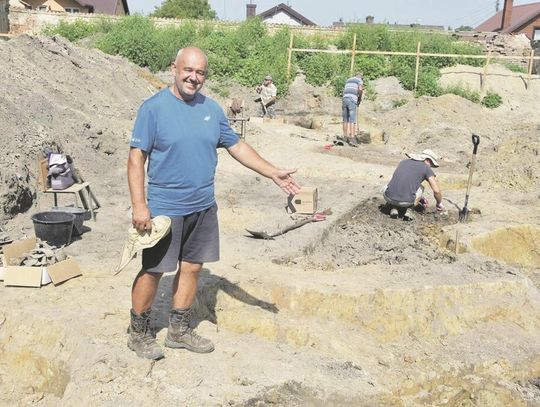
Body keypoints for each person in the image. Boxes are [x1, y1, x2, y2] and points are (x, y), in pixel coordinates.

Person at [127, 47, 300, 360]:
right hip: (165, 208)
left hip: (203, 205)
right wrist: (140, 205)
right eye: (188, 70)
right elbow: (136, 158)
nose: (194, 77)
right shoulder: (153, 109)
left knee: (193, 267)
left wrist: (272, 171)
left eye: (201, 72)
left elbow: (237, 147)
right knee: (153, 270)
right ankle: (138, 332)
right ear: (174, 68)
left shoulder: (213, 109)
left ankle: (178, 331)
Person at [383, 149, 443, 220]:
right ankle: (409, 210)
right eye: (431, 164)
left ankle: (393, 207)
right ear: (427, 160)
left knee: (393, 182)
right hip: (406, 202)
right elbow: (436, 191)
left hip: (388, 197)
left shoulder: (403, 162)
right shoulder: (426, 168)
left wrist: (421, 198)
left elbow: (404, 181)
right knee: (421, 187)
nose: (431, 167)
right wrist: (439, 203)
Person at [341, 72, 364, 146]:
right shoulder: (359, 80)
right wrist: (359, 98)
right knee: (352, 119)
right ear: (361, 77)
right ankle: (352, 138)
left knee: (345, 119)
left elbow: (344, 90)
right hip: (352, 100)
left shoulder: (348, 80)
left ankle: (345, 136)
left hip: (344, 99)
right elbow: (360, 89)